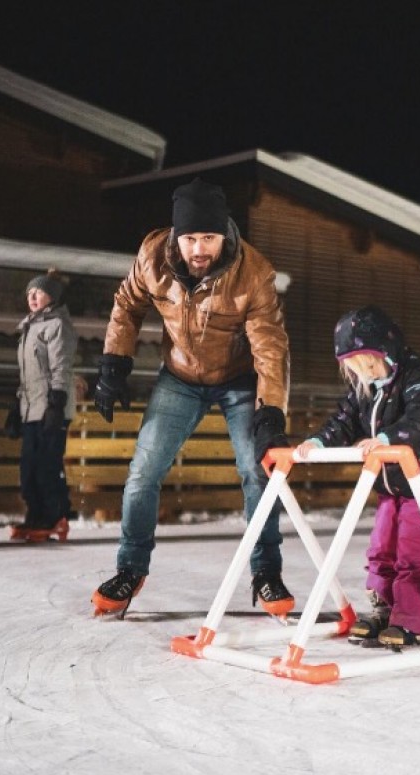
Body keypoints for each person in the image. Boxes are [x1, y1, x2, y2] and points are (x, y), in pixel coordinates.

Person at [90, 177, 291, 618]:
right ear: (177, 237)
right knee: (143, 471)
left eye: (209, 238)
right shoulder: (152, 258)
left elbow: (270, 346)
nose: (199, 249)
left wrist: (271, 409)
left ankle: (267, 572)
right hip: (179, 376)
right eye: (191, 239)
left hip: (240, 380)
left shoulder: (254, 273)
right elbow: (126, 305)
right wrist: (113, 364)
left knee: (257, 471)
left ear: (224, 234)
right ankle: (130, 569)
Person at [294, 306, 420, 649]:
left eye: (369, 362)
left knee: (415, 553)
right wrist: (318, 441)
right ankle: (386, 611)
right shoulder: (365, 387)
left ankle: (414, 621)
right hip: (393, 485)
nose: (364, 371)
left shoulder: (419, 375)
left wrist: (387, 439)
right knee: (381, 548)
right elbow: (344, 420)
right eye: (354, 366)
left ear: (388, 349)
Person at [5, 269, 78, 542]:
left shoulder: (58, 325)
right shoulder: (28, 327)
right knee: (29, 467)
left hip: (50, 408)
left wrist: (56, 404)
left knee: (47, 465)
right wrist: (17, 406)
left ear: (52, 297)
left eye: (38, 292)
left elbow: (60, 366)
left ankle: (55, 517)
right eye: (29, 293)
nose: (32, 297)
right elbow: (28, 374)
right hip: (31, 408)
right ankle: (36, 515)